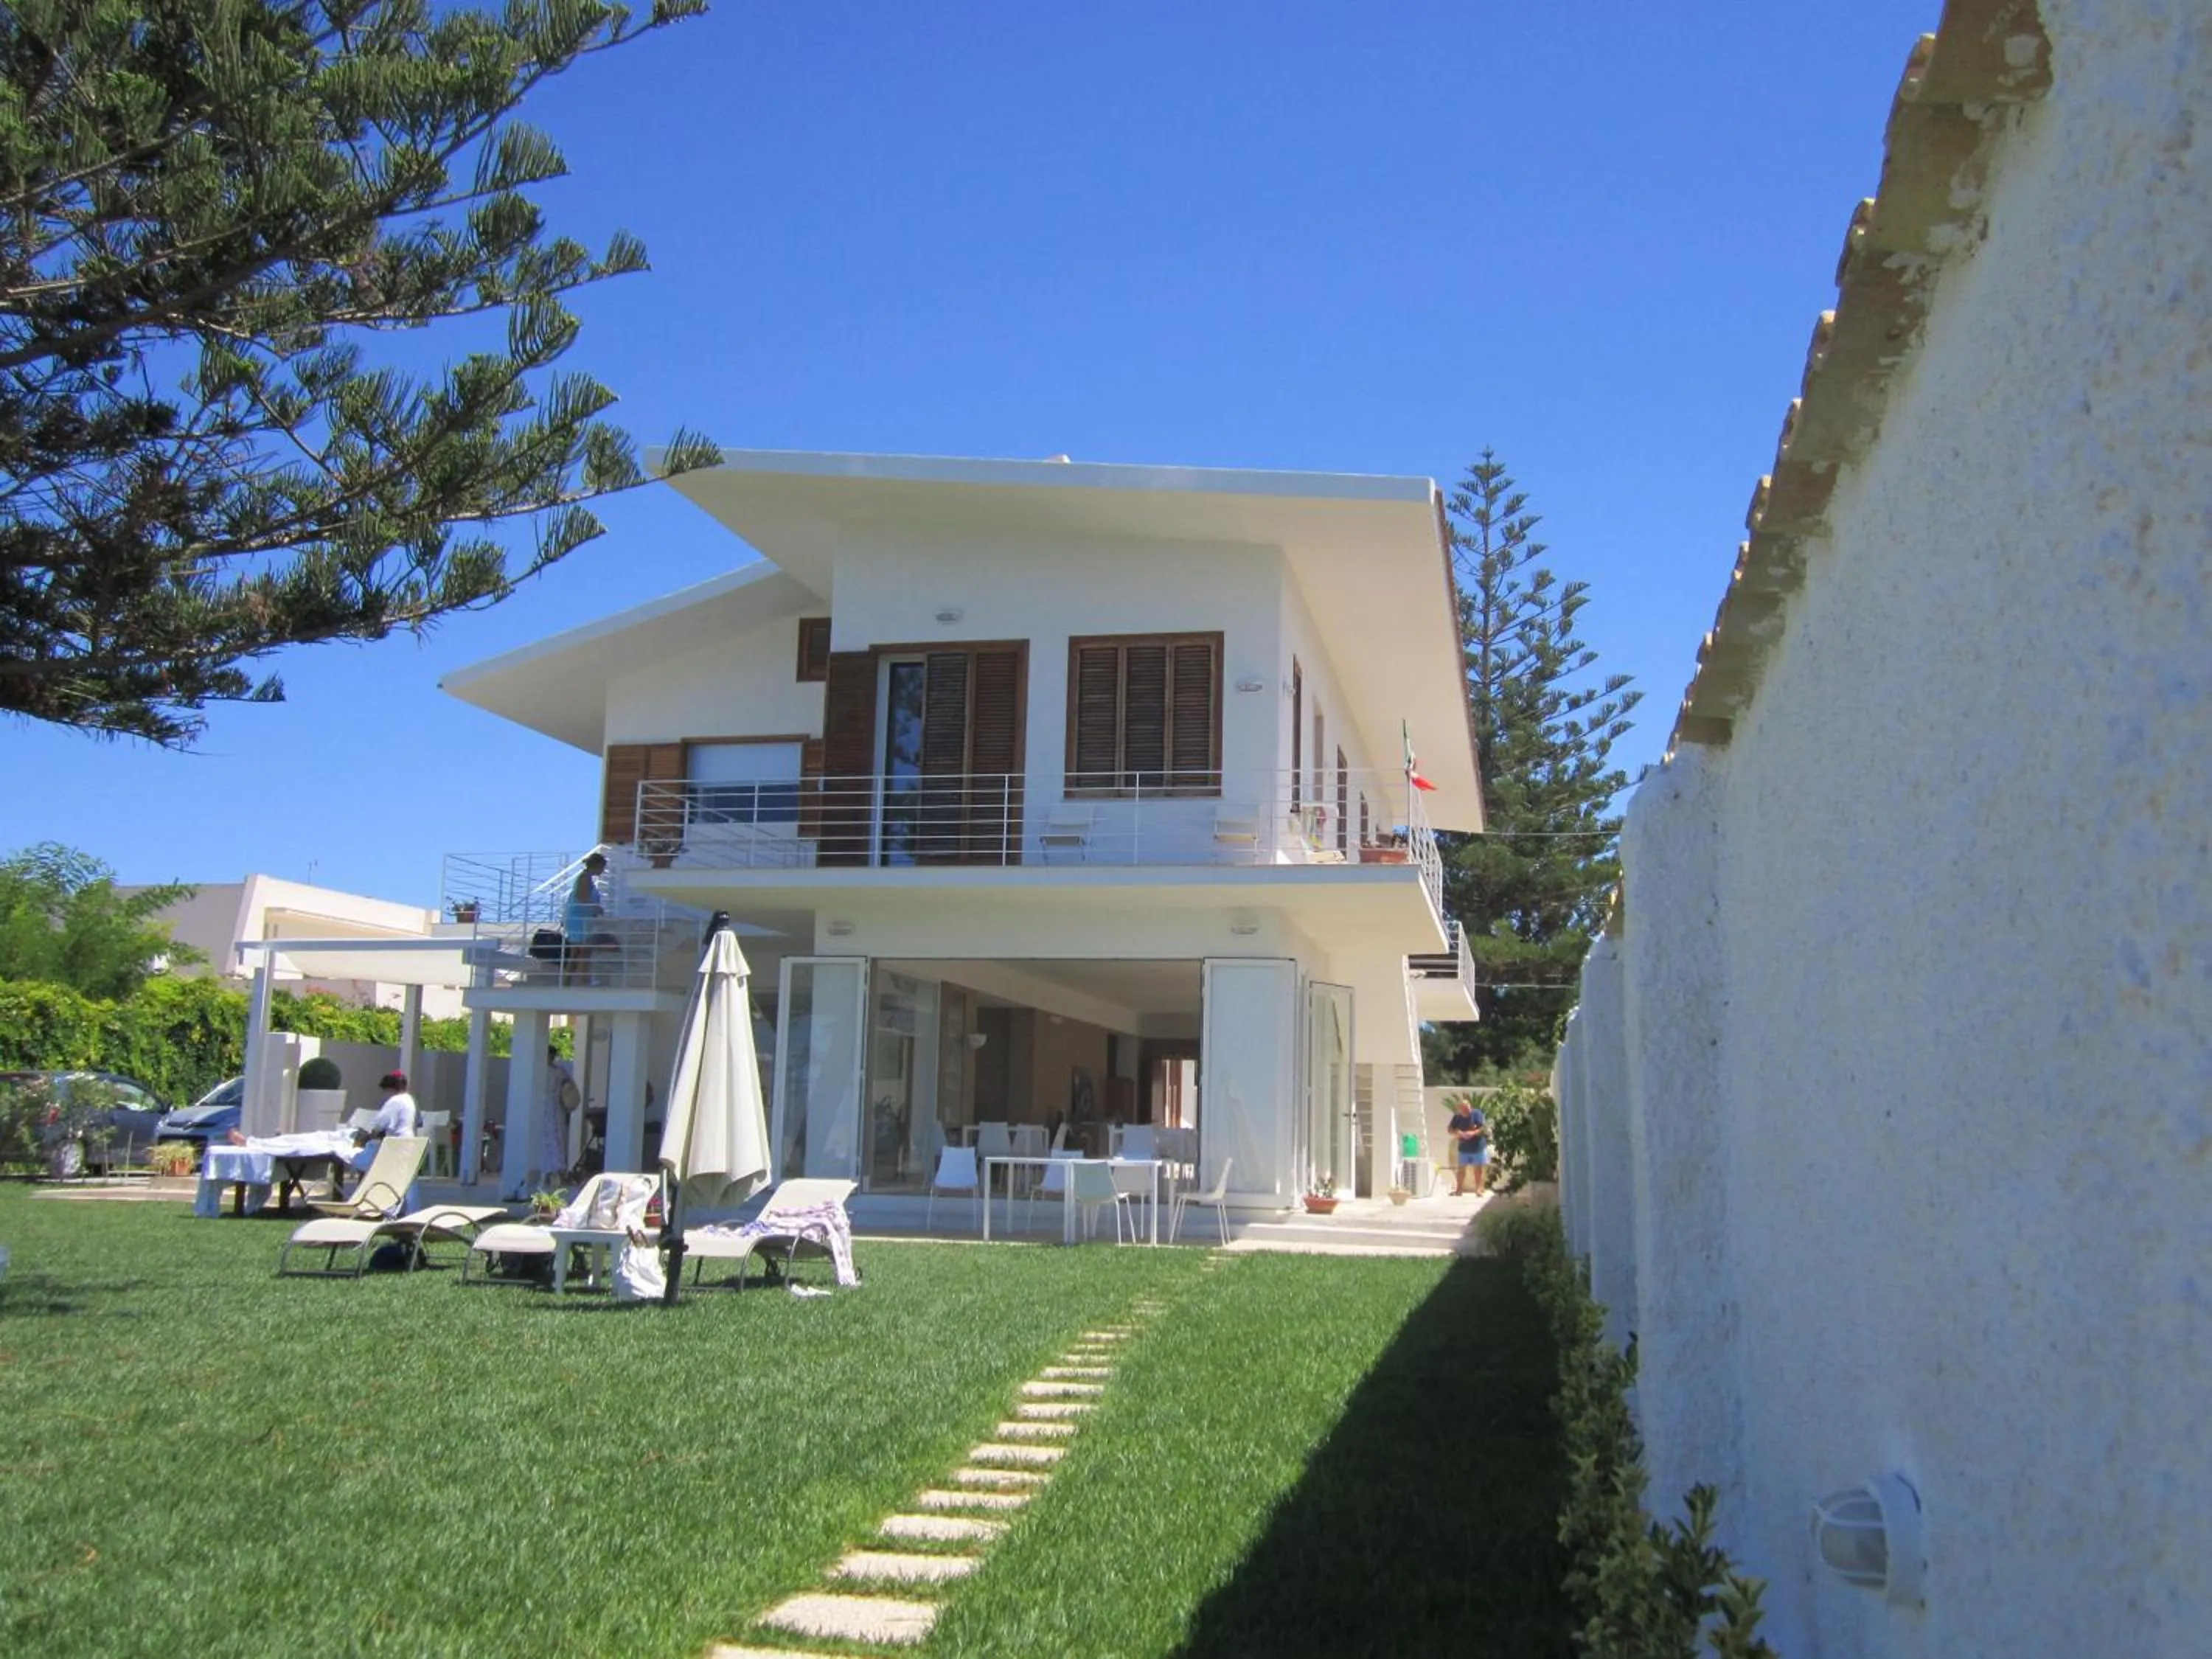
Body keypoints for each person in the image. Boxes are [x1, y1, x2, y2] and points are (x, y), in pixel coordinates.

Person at [563, 852, 609, 984]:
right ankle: (584, 981)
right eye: (603, 867)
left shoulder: (586, 878)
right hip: (579, 920)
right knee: (584, 952)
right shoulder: (585, 878)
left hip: (579, 918)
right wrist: (596, 908)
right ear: (597, 866)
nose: (603, 870)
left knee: (576, 954)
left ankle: (567, 983)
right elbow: (582, 897)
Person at [540, 1043, 579, 1180]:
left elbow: (569, 1089)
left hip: (556, 1107)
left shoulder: (559, 1071)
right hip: (544, 1108)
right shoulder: (542, 1070)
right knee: (545, 1139)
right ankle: (548, 1170)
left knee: (557, 1138)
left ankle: (558, 1169)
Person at [1447, 1096, 1489, 1197]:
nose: (1467, 1111)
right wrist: (1458, 1133)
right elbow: (1450, 1129)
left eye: (1468, 1108)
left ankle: (1478, 1190)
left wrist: (1473, 1133)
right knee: (1461, 1169)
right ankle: (1459, 1190)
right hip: (1464, 1147)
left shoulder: (1477, 1114)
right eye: (1464, 1109)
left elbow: (1483, 1127)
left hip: (1477, 1147)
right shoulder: (1457, 1117)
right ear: (1460, 1109)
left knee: (1478, 1169)